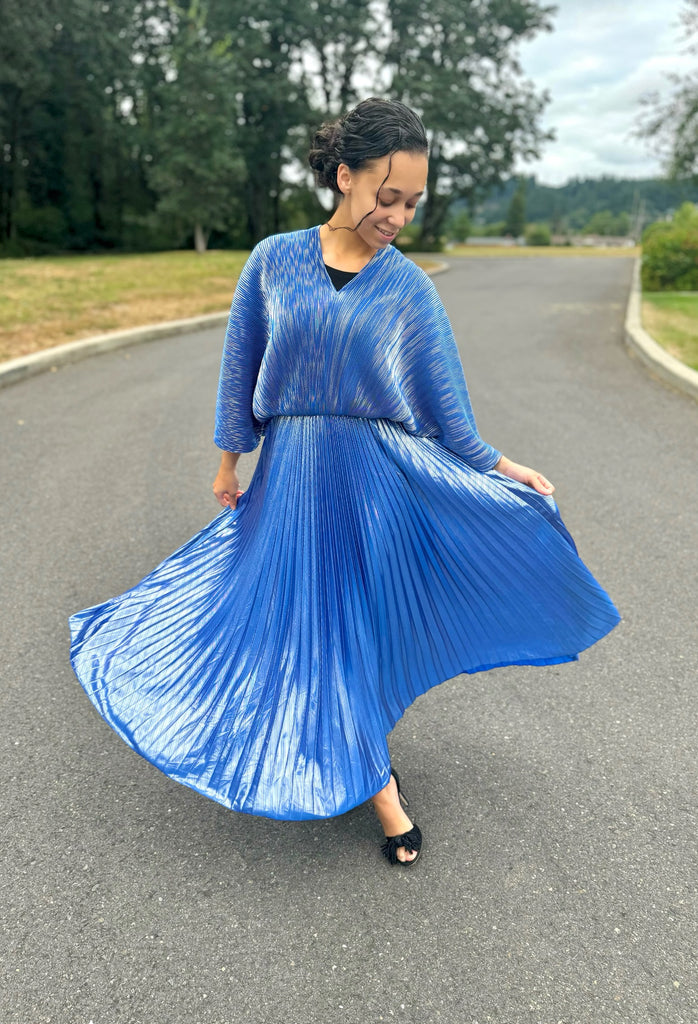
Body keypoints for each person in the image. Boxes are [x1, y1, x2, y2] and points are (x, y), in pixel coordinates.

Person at [70, 98, 620, 867]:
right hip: (292, 481)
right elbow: (240, 366)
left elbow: (445, 407)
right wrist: (229, 459)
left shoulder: (409, 289)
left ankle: (375, 784)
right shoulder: (273, 261)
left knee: (346, 631)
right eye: (387, 196)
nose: (398, 217)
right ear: (344, 176)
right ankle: (346, 763)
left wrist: (499, 466)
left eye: (413, 203)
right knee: (290, 621)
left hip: (375, 488)